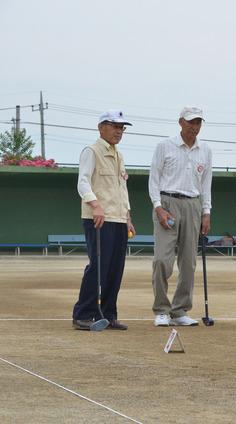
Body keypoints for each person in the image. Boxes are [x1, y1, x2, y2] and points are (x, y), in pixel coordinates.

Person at [148, 107, 212, 327]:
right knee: (162, 260)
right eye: (191, 122)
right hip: (167, 202)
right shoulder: (164, 146)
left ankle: (180, 310)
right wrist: (158, 206)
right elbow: (154, 179)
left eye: (198, 123)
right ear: (181, 123)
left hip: (193, 205)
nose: (195, 127)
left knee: (188, 262)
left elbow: (206, 184)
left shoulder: (205, 150)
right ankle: (161, 310)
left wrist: (206, 211)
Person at [72, 110, 136, 331]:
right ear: (101, 127)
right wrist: (95, 205)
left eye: (121, 128)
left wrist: (127, 216)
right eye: (114, 126)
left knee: (115, 269)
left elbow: (122, 188)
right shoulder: (92, 151)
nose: (119, 131)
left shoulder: (119, 155)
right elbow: (83, 183)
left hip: (118, 219)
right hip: (99, 218)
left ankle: (108, 314)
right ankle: (83, 314)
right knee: (99, 266)